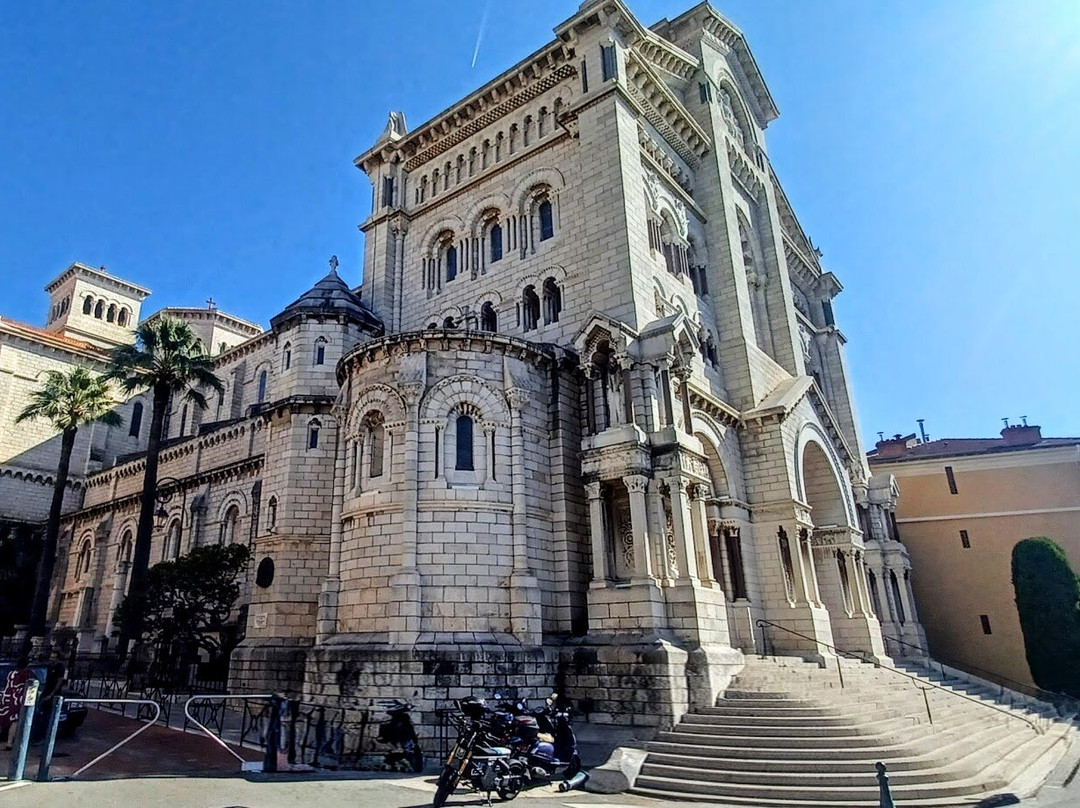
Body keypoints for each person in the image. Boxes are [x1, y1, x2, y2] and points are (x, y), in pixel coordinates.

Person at [0, 656, 38, 748]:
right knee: (15, 721)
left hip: (6, 697)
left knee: (1, 718)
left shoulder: (12, 673)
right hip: (18, 699)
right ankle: (10, 742)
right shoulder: (29, 674)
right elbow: (33, 686)